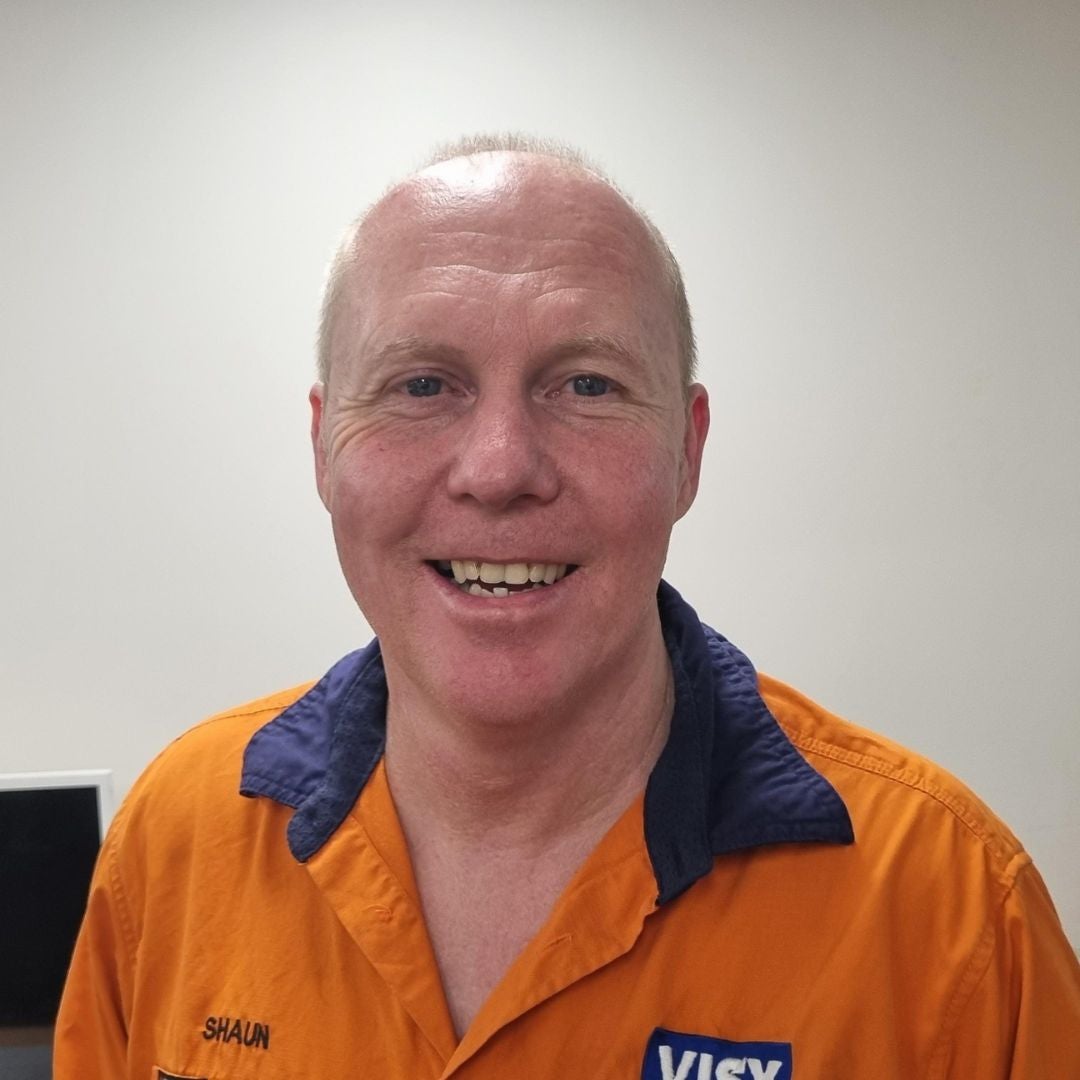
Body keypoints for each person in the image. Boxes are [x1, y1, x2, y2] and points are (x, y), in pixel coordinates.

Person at [55, 135, 1080, 1079]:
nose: (499, 468)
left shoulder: (953, 917)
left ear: (688, 449)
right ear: (324, 445)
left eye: (585, 385)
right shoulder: (174, 846)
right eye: (422, 385)